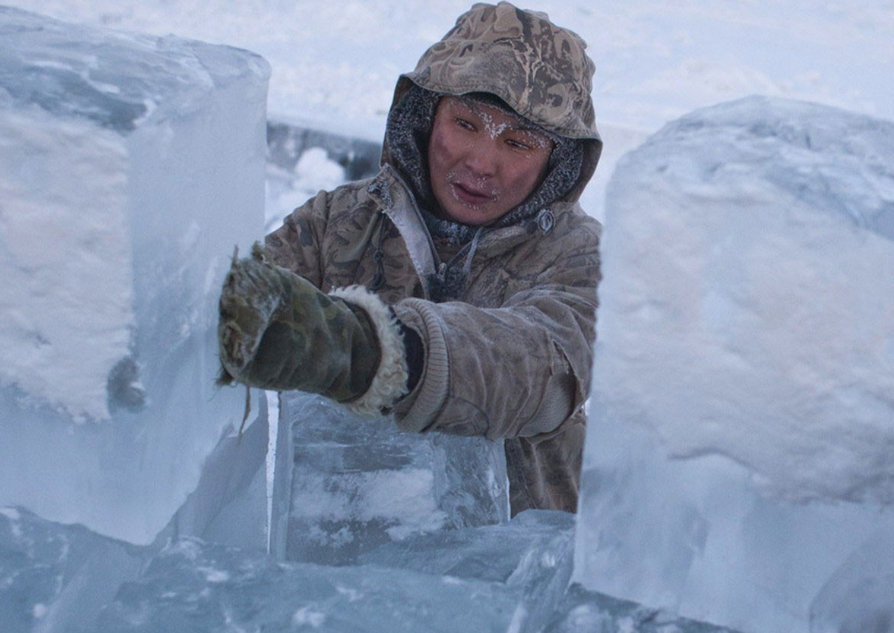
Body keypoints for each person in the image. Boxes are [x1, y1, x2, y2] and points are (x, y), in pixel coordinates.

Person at [218, 1, 602, 516]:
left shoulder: (583, 257)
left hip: (517, 576)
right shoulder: (338, 221)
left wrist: (372, 350)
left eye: (518, 142)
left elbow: (543, 374)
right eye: (465, 123)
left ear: (556, 163)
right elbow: (229, 305)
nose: (481, 163)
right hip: (338, 560)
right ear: (425, 119)